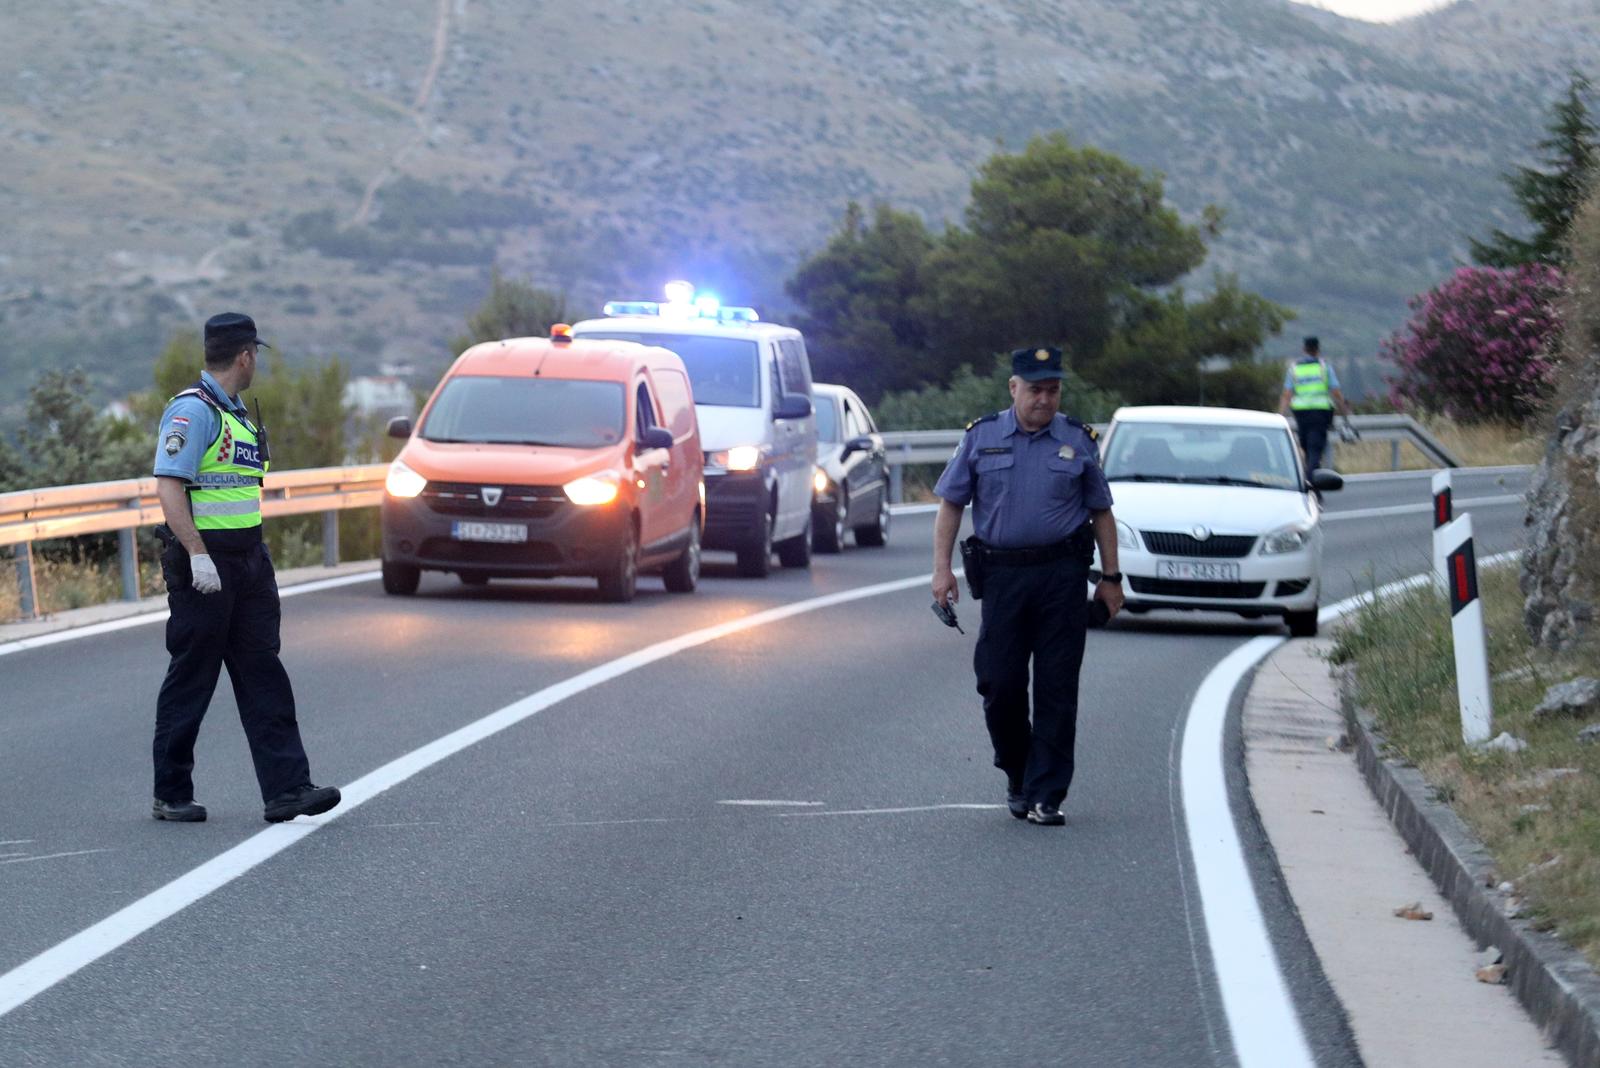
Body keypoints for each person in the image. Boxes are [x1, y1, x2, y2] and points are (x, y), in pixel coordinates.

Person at [149, 312, 341, 824]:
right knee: (193, 677)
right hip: (205, 565)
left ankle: (288, 789)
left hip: (250, 562)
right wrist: (196, 554)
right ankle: (171, 792)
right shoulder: (194, 412)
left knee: (263, 673)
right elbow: (169, 486)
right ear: (245, 356)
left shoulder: (234, 413)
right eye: (255, 356)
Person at [930, 347, 1122, 827]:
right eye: (1035, 390)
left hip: (1061, 577)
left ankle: (1046, 794)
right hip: (1003, 578)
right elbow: (951, 503)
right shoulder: (982, 438)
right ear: (1014, 388)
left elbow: (1101, 511)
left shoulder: (1078, 441)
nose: (1044, 399)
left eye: (1053, 390)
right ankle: (1018, 771)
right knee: (1000, 684)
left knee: (1058, 686)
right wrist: (941, 570)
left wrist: (1112, 580)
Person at [1277, 336, 1353, 472]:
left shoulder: (1294, 369)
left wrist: (1280, 416)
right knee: (1315, 448)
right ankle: (1312, 477)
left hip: (1301, 413)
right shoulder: (1324, 368)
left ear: (1304, 349)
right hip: (1320, 413)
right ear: (1318, 350)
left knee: (1306, 445)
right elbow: (1336, 392)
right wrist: (1344, 411)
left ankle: (1310, 474)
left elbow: (1286, 395)